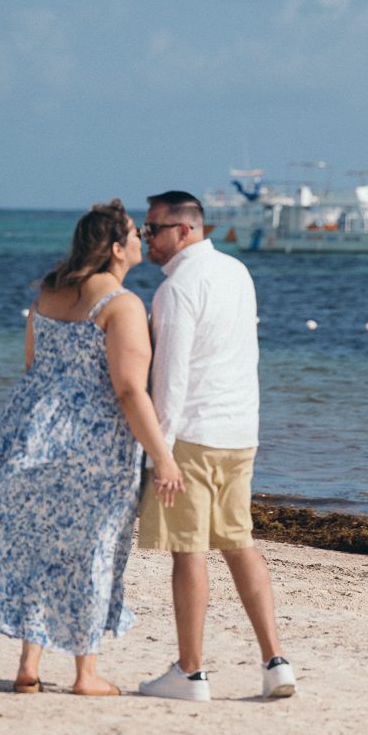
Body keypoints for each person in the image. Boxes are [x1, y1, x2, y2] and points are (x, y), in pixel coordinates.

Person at [0, 200, 183, 696]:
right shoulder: (122, 305)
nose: (141, 240)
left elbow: (32, 363)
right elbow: (130, 390)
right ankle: (86, 673)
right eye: (134, 233)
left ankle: (29, 665)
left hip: (31, 429)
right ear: (115, 248)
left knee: (40, 543)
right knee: (92, 549)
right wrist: (163, 458)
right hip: (94, 442)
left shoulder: (48, 292)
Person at [136, 191, 297, 703]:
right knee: (238, 542)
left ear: (185, 230)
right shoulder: (236, 271)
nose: (145, 238)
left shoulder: (176, 289)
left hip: (194, 433)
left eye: (153, 229)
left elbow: (171, 378)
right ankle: (276, 662)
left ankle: (191, 672)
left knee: (189, 551)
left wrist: (159, 451)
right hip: (240, 430)